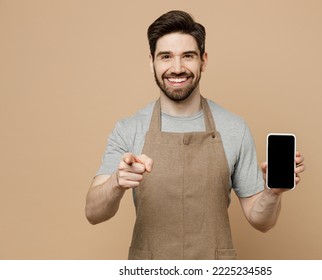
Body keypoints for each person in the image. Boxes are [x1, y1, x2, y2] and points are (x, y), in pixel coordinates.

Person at [85, 10, 306, 260]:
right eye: (166, 56)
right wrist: (116, 182)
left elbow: (261, 221)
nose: (177, 68)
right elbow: (93, 212)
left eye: (187, 56)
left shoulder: (234, 127)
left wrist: (272, 193)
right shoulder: (129, 129)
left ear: (204, 60)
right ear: (152, 62)